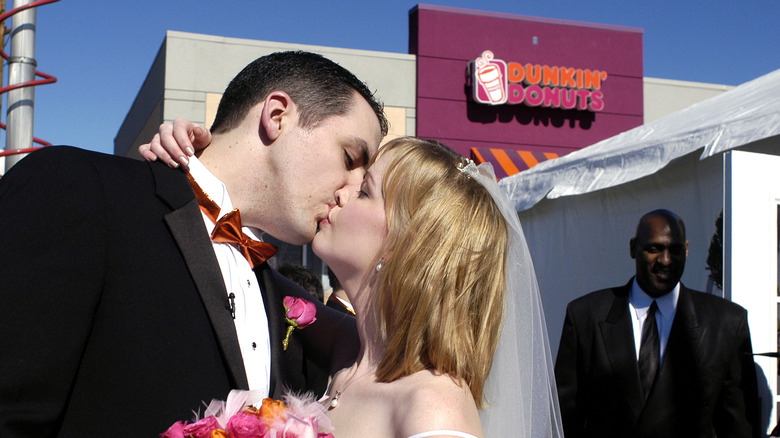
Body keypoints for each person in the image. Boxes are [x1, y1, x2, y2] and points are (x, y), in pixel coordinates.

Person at [0, 50, 386, 437]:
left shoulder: (286, 302)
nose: (351, 192)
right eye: (350, 157)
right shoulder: (79, 188)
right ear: (277, 117)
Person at [147, 134, 564, 437]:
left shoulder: (433, 407)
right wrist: (198, 167)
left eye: (365, 191)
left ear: (408, 244)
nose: (341, 192)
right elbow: (245, 267)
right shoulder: (347, 347)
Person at [555, 209, 760, 438]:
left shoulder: (726, 323)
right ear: (633, 248)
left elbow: (739, 425)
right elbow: (564, 418)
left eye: (675, 250)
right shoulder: (586, 317)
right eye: (654, 249)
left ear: (687, 249)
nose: (665, 260)